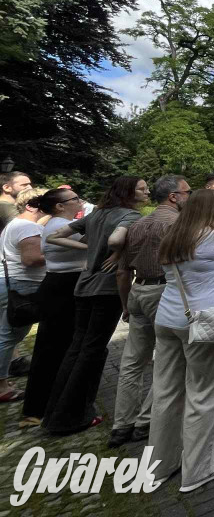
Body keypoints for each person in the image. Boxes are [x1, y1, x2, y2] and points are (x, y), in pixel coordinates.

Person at [149, 189, 214, 492]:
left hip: (167, 318)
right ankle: (200, 468)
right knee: (204, 393)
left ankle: (159, 466)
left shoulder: (170, 236)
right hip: (205, 323)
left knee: (165, 391)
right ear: (209, 207)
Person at [43, 176, 148, 435]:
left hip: (83, 285)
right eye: (142, 188)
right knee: (92, 350)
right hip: (106, 288)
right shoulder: (130, 217)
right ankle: (70, 417)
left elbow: (56, 237)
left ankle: (54, 413)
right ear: (128, 193)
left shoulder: (96, 215)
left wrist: (90, 248)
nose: (147, 192)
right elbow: (115, 241)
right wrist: (117, 253)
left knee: (77, 347)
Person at [107, 174, 191, 448]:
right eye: (187, 192)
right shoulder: (177, 224)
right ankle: (145, 420)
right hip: (163, 292)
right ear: (173, 197)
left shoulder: (137, 223)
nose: (190, 197)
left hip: (137, 291)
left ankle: (121, 424)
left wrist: (125, 304)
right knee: (169, 359)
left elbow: (122, 270)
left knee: (132, 361)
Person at [21, 188, 88, 425]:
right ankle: (44, 407)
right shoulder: (58, 225)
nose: (80, 201)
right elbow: (94, 243)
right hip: (62, 287)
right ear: (60, 206)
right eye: (75, 199)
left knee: (53, 346)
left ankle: (43, 405)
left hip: (59, 285)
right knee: (55, 347)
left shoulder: (59, 223)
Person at [0, 188, 47, 402]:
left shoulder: (18, 224)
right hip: (22, 284)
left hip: (13, 283)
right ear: (31, 205)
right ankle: (2, 387)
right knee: (9, 336)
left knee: (8, 335)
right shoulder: (27, 226)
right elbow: (31, 259)